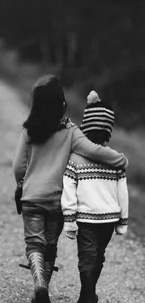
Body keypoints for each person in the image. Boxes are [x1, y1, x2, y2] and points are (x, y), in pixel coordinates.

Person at [12, 76, 128, 303]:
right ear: (62, 104)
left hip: (31, 198)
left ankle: (40, 287)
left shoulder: (29, 131)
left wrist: (21, 184)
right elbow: (94, 150)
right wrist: (121, 160)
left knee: (34, 243)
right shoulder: (71, 131)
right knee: (50, 246)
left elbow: (18, 167)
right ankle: (43, 287)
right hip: (57, 200)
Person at [61, 90, 129, 303]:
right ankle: (88, 295)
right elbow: (122, 193)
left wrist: (69, 219)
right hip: (107, 218)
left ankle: (87, 294)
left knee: (88, 257)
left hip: (87, 218)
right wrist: (123, 221)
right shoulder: (116, 160)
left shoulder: (76, 159)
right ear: (109, 129)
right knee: (97, 256)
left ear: (85, 128)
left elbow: (68, 188)